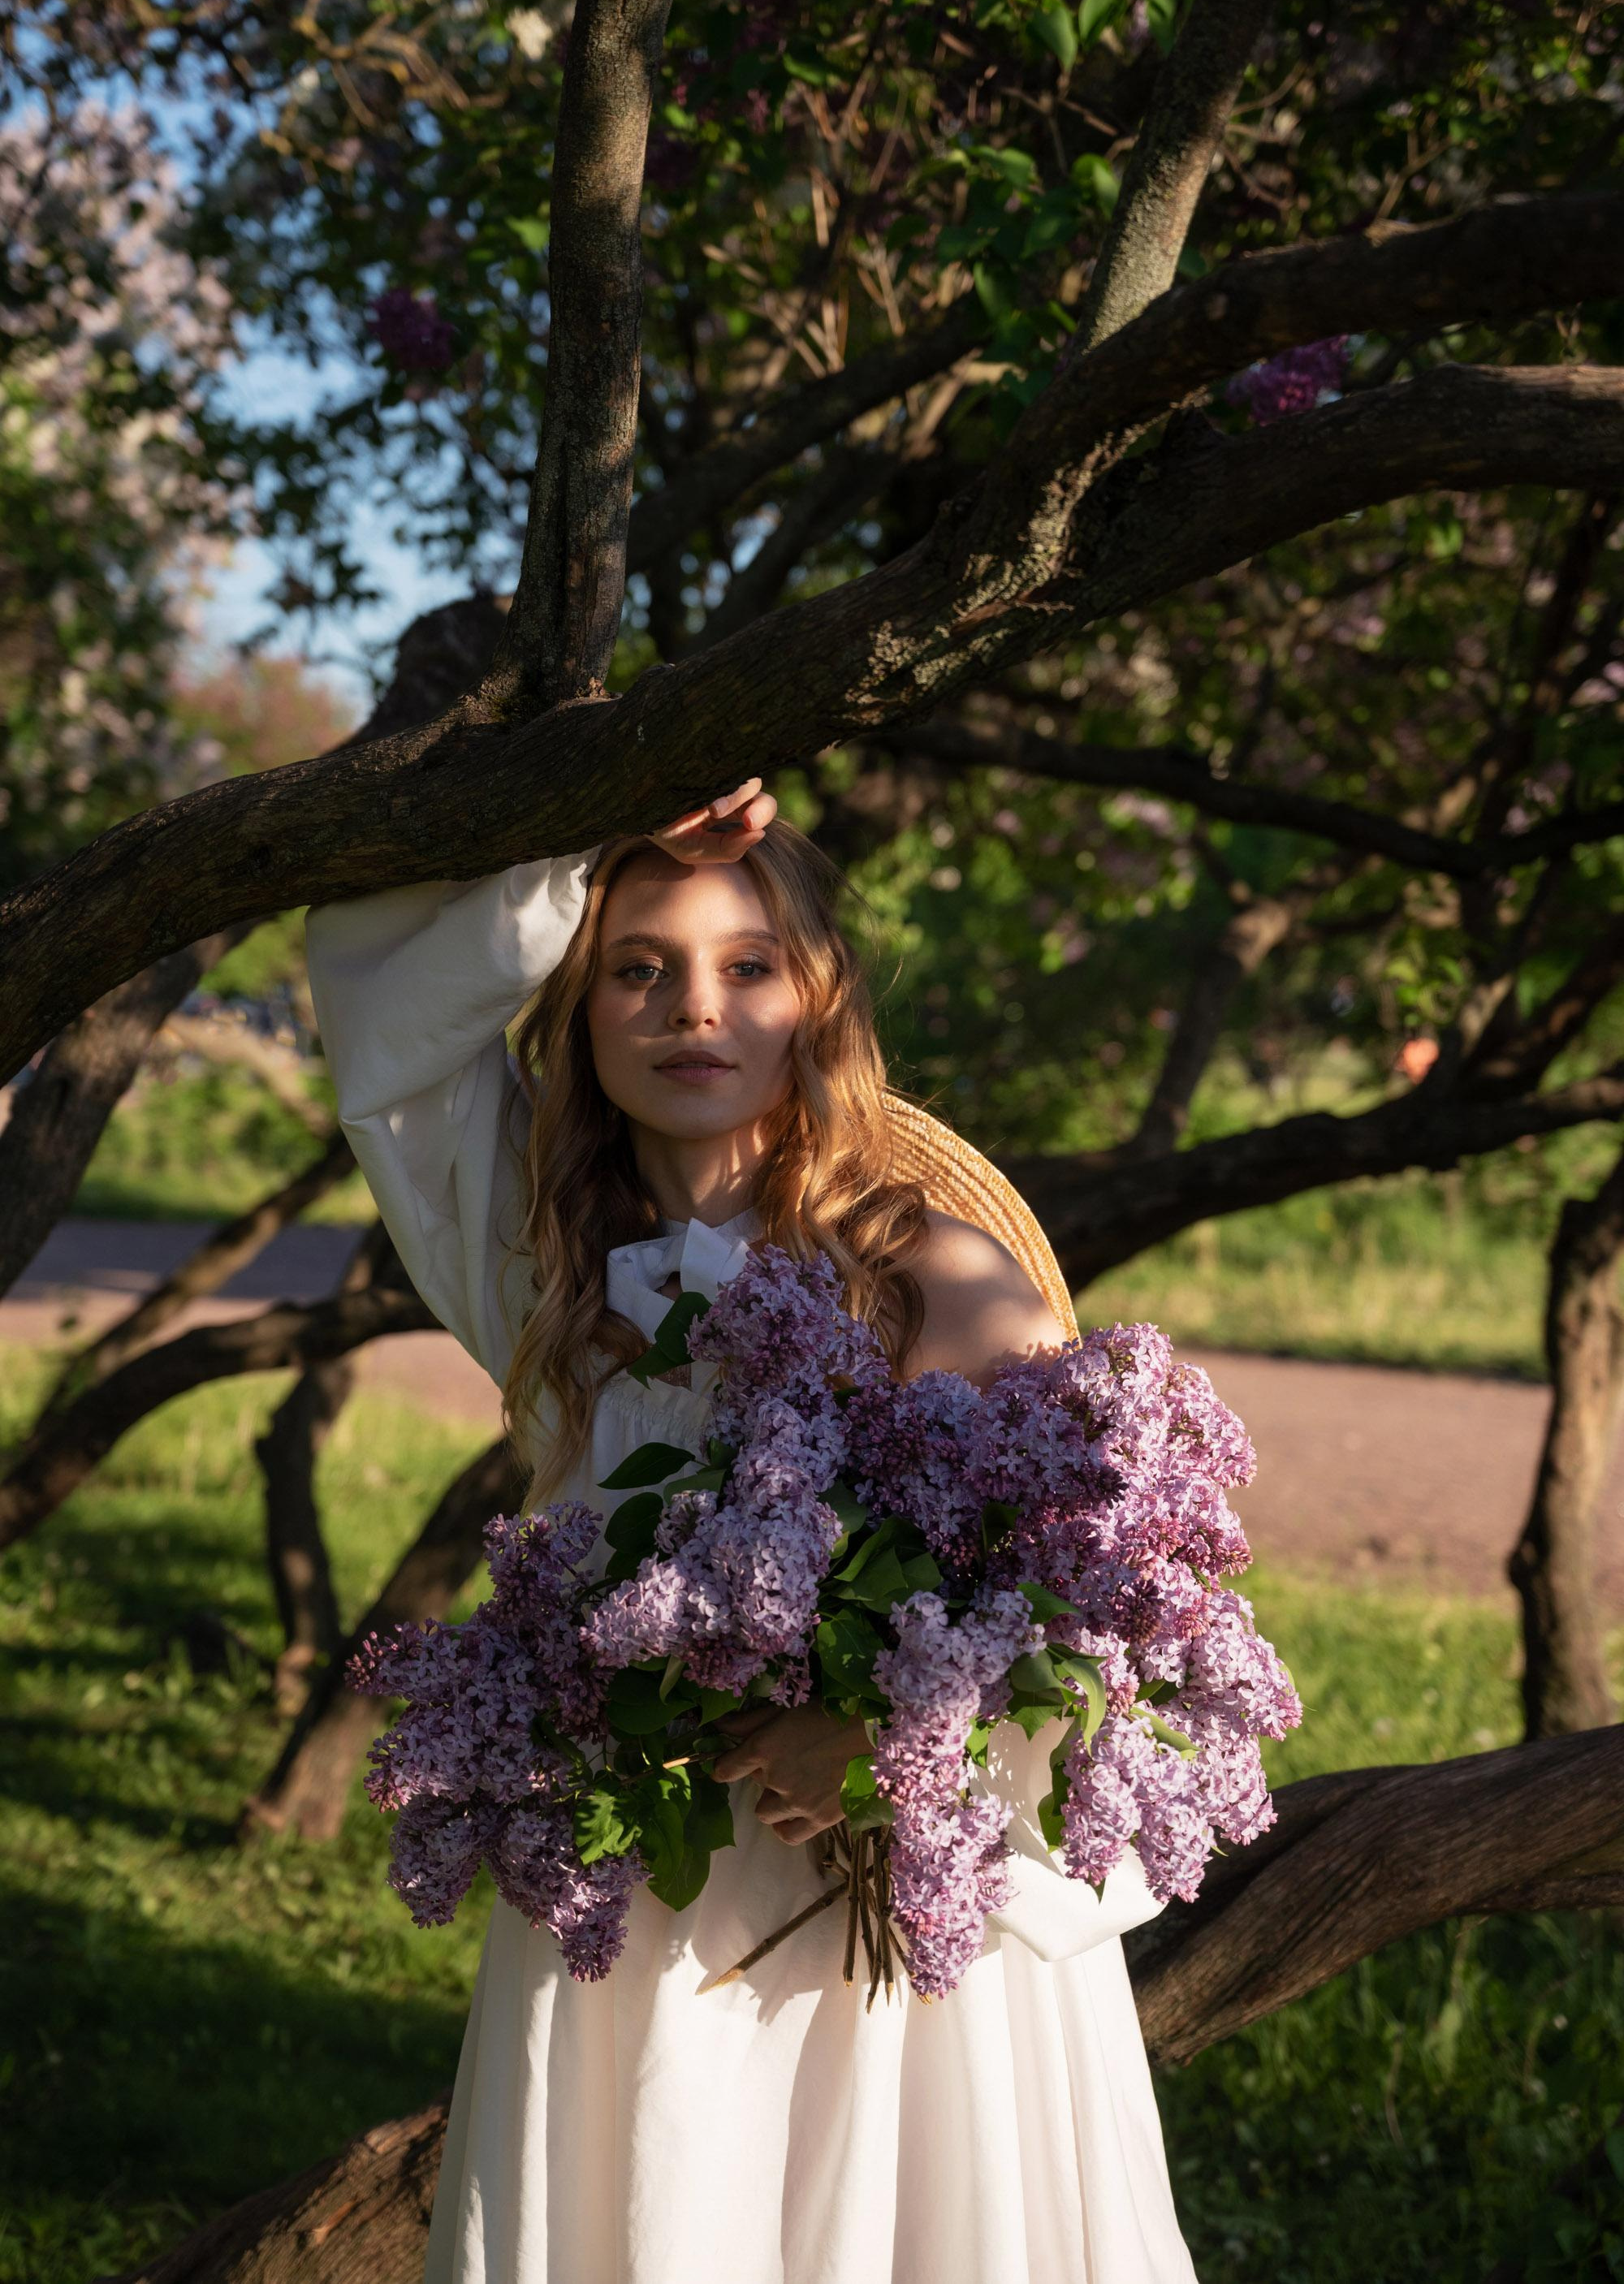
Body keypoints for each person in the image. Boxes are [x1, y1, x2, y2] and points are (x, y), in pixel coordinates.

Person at [304, 779, 1197, 2284]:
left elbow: (1120, 1624)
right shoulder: (551, 1275)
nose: (692, 1008)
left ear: (818, 1002)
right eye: (637, 967)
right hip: (637, 1923)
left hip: (900, 1961)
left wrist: (890, 1743)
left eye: (748, 965)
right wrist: (596, 821)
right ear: (576, 1004)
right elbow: (383, 1002)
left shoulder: (930, 1276)